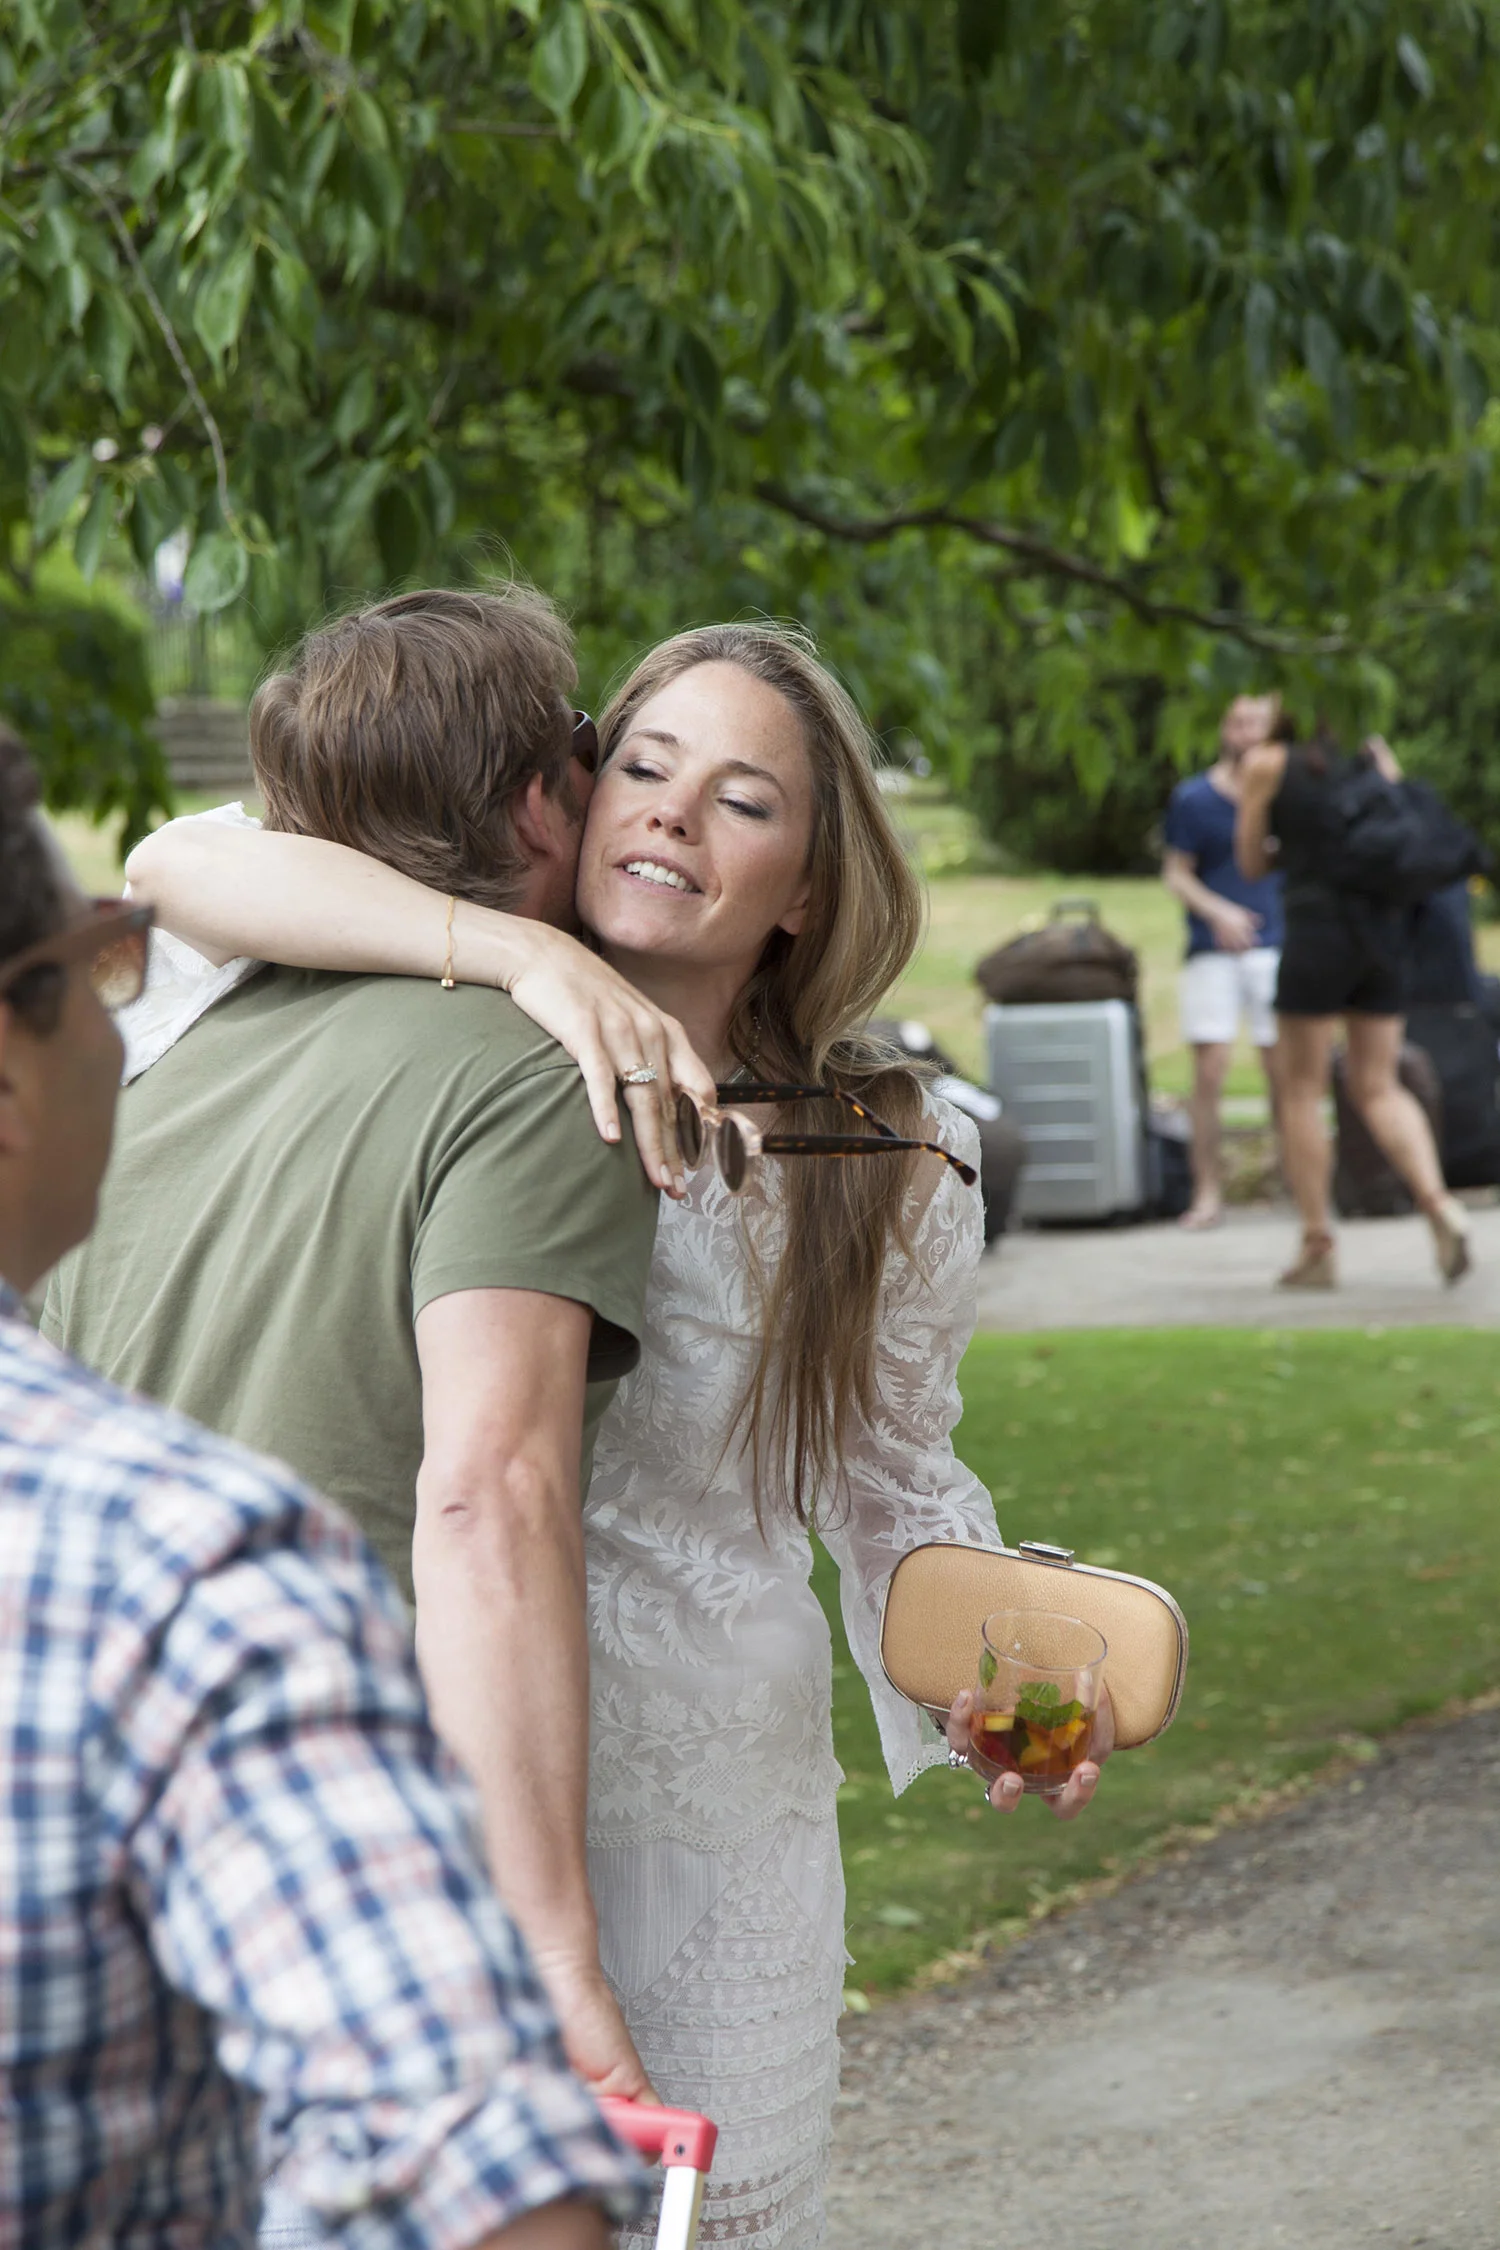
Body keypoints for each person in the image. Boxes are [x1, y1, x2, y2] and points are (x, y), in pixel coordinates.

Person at [121, 620, 1109, 2250]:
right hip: (472, 1763)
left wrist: (998, 1662)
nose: (671, 814)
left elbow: (893, 1475)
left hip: (717, 1804)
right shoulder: (468, 1040)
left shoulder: (882, 1154)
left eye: (743, 800)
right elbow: (176, 861)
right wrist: (527, 960)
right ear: (572, 800)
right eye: (642, 766)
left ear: (806, 888)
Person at [44, 586, 717, 2110]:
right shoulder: (543, 1081)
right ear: (540, 804)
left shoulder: (165, 1063)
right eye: (594, 746)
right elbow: (489, 1498)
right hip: (335, 1875)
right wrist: (552, 1958)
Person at [1236, 727, 1472, 1288]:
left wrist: (1292, 847)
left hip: (1316, 933)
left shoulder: (1269, 763)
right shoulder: (1371, 755)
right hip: (1382, 938)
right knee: (1378, 1085)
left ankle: (1317, 1243)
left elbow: (1250, 862)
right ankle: (1438, 1204)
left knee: (1301, 1090)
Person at [1161, 693, 1287, 1230]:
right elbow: (1177, 872)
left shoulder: (1287, 795)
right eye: (1237, 723)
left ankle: (1292, 1180)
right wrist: (1219, 913)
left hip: (1277, 946)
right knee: (1209, 1072)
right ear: (1224, 729)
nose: (1246, 733)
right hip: (1212, 952)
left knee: (1284, 1071)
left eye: (1257, 723)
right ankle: (1208, 1191)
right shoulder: (1194, 798)